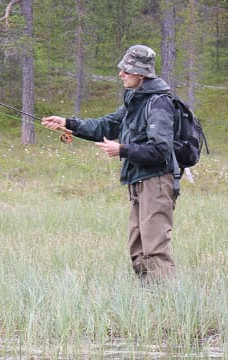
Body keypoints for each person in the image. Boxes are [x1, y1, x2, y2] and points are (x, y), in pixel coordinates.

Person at [42, 45, 177, 283]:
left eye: (126, 70)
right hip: (137, 181)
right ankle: (149, 300)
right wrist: (68, 123)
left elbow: (160, 149)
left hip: (156, 182)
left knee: (154, 248)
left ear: (141, 74)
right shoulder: (134, 101)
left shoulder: (159, 103)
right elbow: (105, 126)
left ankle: (168, 305)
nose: (120, 74)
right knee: (137, 247)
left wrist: (122, 149)